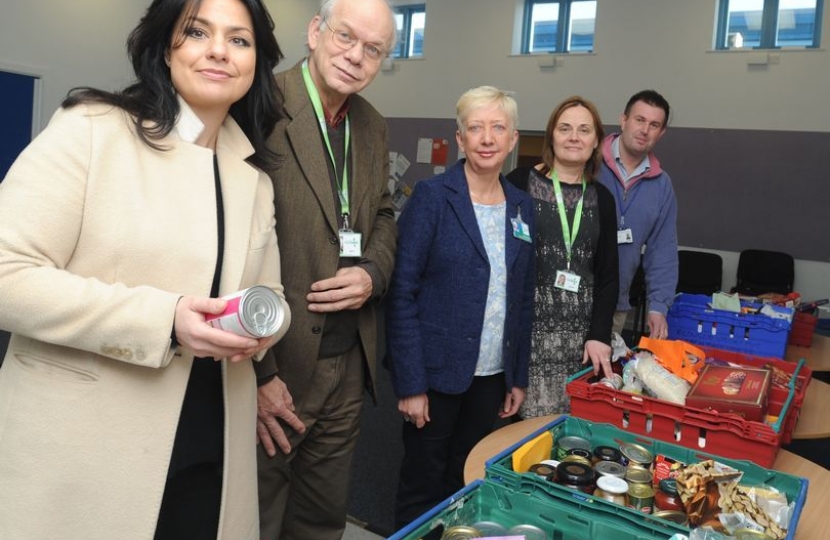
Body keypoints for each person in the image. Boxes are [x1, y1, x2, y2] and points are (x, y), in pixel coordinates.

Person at [0, 0, 290, 539]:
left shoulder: (253, 177)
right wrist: (164, 318)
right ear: (165, 45)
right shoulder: (92, 129)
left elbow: (269, 292)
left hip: (213, 436)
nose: (220, 51)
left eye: (240, 39)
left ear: (257, 63)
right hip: (88, 439)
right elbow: (6, 273)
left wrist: (265, 328)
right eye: (198, 31)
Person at [252, 0, 398, 538]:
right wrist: (258, 375)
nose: (356, 56)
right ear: (315, 31)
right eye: (345, 37)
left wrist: (373, 274)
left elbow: (382, 211)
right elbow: (231, 241)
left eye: (373, 49)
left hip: (349, 362)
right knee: (256, 514)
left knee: (320, 519)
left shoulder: (373, 125)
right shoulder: (259, 105)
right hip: (277, 359)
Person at [386, 86, 535, 528]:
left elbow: (522, 297)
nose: (487, 138)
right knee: (423, 483)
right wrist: (410, 383)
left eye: (498, 128)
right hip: (435, 375)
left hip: (490, 377)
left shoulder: (521, 207)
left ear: (512, 140)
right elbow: (402, 291)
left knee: (466, 478)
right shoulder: (432, 197)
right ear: (460, 138)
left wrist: (517, 375)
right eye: (476, 128)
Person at [507, 96, 619, 418]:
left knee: (567, 429)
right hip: (526, 331)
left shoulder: (603, 200)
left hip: (578, 340)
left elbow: (609, 275)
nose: (574, 137)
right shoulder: (519, 184)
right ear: (551, 135)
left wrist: (599, 334)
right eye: (565, 128)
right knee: (517, 428)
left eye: (584, 130)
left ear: (596, 139)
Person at [598, 89, 677, 340]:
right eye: (639, 120)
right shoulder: (588, 164)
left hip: (616, 304)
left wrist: (658, 306)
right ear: (623, 120)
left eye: (654, 124)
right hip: (569, 297)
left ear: (661, 133)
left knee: (594, 378)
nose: (645, 130)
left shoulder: (662, 185)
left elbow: (662, 250)